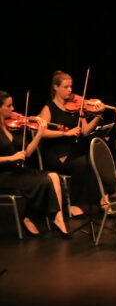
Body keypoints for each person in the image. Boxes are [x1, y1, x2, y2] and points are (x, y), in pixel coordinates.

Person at [0, 90, 70, 237]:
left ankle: (59, 221)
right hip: (4, 175)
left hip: (19, 170)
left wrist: (39, 133)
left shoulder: (13, 126)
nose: (13, 109)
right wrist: (11, 158)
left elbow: (27, 153)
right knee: (42, 181)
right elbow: (13, 157)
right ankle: (28, 216)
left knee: (54, 176)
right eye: (9, 106)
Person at [37, 70, 102, 214]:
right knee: (81, 164)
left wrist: (97, 116)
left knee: (95, 160)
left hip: (74, 151)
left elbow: (85, 130)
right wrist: (64, 133)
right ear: (56, 87)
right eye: (66, 87)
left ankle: (102, 199)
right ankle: (74, 204)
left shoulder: (76, 106)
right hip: (57, 153)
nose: (70, 90)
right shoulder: (49, 108)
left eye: (71, 86)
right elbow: (42, 132)